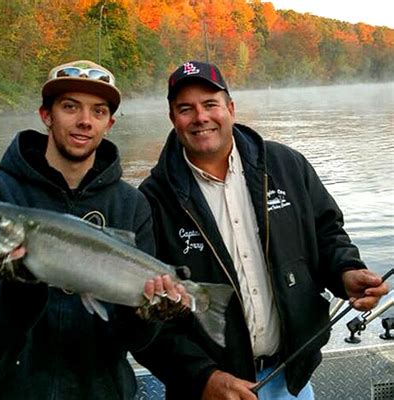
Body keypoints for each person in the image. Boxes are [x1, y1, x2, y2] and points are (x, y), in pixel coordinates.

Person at [133, 61, 389, 400]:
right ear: (172, 118)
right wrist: (202, 378)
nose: (200, 117)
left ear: (230, 108)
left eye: (210, 104)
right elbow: (144, 316)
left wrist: (346, 272)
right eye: (185, 108)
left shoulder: (285, 165)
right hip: (208, 390)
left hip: (290, 378)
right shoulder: (152, 200)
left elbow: (328, 234)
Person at [0, 59, 187, 400]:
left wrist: (150, 315)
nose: (84, 121)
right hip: (9, 389)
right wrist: (23, 283)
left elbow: (137, 341)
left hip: (103, 390)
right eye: (70, 107)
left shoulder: (132, 205)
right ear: (46, 115)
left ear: (109, 124)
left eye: (98, 111)